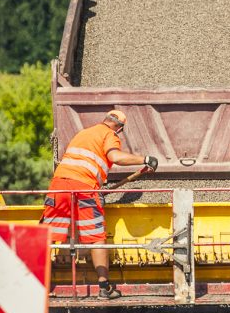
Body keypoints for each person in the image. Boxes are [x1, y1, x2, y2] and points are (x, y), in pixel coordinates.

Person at [40, 110, 158, 299]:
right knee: (95, 237)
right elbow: (116, 158)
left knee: (46, 234)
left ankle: (34, 283)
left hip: (59, 186)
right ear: (119, 128)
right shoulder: (109, 134)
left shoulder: (84, 133)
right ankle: (104, 288)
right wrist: (145, 159)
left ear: (105, 120)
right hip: (84, 189)